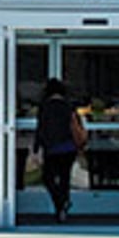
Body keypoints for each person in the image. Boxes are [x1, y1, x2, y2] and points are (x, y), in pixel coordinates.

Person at [33, 78, 78, 222]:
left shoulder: (45, 107)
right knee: (65, 178)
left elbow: (41, 128)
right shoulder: (69, 105)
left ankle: (59, 204)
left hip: (52, 147)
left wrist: (36, 148)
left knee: (48, 178)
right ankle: (63, 203)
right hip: (69, 147)